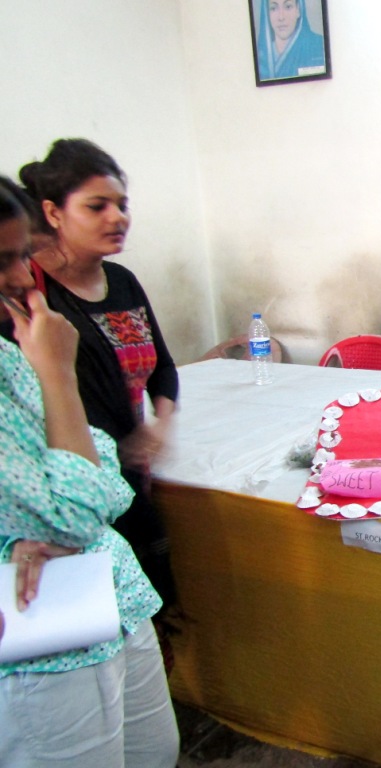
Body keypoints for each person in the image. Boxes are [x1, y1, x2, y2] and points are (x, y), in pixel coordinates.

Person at [0, 177, 179, 766]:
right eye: (4, 261)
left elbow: (103, 477)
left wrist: (77, 492)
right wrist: (57, 377)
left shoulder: (13, 350)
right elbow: (80, 513)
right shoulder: (43, 343)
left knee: (156, 752)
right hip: (38, 635)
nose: (24, 278)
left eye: (23, 255)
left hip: (107, 596)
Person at [19, 139, 179, 617]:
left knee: (150, 607)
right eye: (97, 206)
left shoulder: (123, 282)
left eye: (122, 205)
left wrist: (161, 424)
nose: (117, 217)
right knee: (96, 616)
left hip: (131, 478)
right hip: (74, 491)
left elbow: (164, 369)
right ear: (53, 212)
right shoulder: (33, 300)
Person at [255, 0, 326, 80]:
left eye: (288, 7)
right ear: (267, 13)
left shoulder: (319, 46)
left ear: (298, 10)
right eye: (273, 8)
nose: (281, 17)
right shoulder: (259, 55)